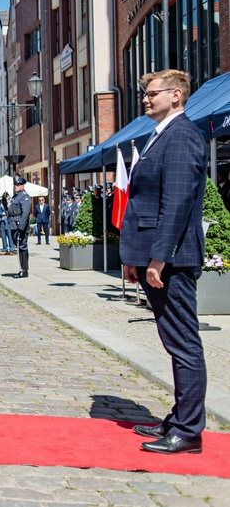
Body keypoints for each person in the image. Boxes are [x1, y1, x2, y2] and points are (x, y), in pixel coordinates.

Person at [121, 69, 208, 455]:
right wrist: (135, 259)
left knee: (183, 342)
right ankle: (179, 417)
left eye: (151, 93)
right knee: (174, 341)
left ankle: (189, 430)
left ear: (176, 95)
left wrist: (158, 257)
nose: (145, 99)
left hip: (171, 260)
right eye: (144, 93)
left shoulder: (183, 135)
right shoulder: (161, 135)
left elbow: (176, 204)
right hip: (156, 258)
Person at [6, 176, 32, 278]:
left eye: (17, 185)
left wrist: (21, 227)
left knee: (22, 247)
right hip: (13, 224)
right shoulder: (15, 196)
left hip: (19, 225)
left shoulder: (24, 197)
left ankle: (24, 270)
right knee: (18, 247)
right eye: (14, 185)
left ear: (22, 186)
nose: (15, 187)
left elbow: (25, 213)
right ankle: (21, 268)